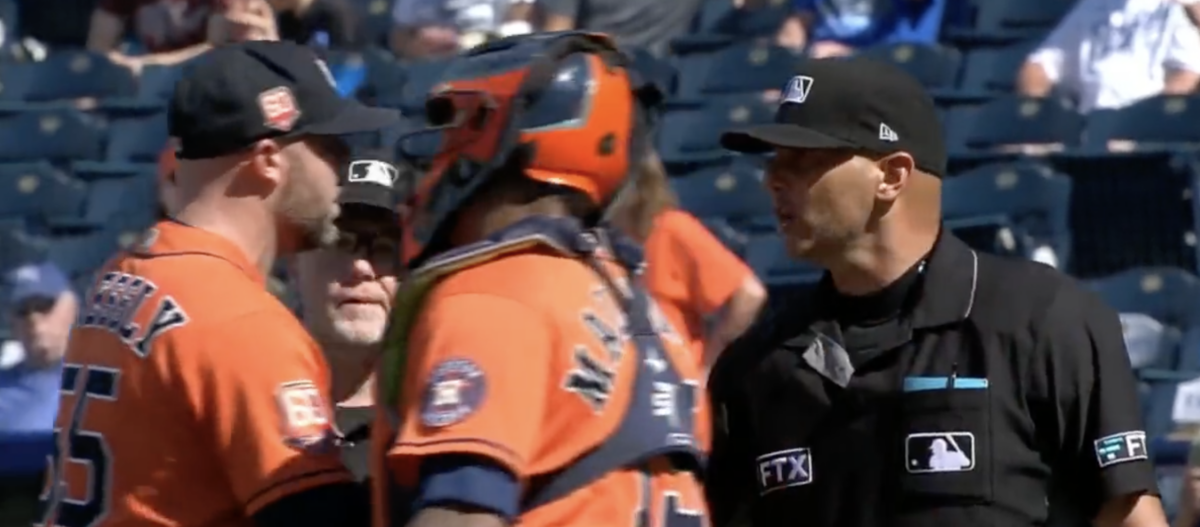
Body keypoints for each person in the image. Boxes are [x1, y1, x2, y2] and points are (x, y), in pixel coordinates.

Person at [705, 56, 1166, 527]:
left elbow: (1128, 514)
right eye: (774, 160)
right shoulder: (755, 368)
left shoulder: (1040, 317)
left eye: (803, 159)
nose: (773, 179)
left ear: (891, 176)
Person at [41, 40, 400, 527]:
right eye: (330, 148)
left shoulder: (125, 270)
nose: (340, 172)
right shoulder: (241, 320)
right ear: (270, 159)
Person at [370, 31, 707, 527]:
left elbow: (465, 514)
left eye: (452, 120)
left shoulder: (494, 294)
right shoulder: (641, 311)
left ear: (497, 130)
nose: (440, 142)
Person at [292, 149, 406, 479]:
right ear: (294, 263)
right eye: (340, 242)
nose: (361, 267)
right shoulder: (247, 397)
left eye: (386, 249)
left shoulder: (437, 419)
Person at [609, 151, 766, 373]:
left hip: (674, 387)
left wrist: (708, 368)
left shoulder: (671, 228)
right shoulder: (591, 240)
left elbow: (749, 294)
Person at [1016, 0, 1200, 113]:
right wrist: (1037, 116)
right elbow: (1038, 66)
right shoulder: (1094, 3)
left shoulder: (1181, 7)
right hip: (1088, 124)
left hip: (1143, 132)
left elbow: (1187, 76)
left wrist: (1143, 124)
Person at [0, 263, 75, 527]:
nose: (34, 320)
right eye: (23, 311)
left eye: (44, 306)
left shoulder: (105, 383)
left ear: (71, 309)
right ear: (12, 320)